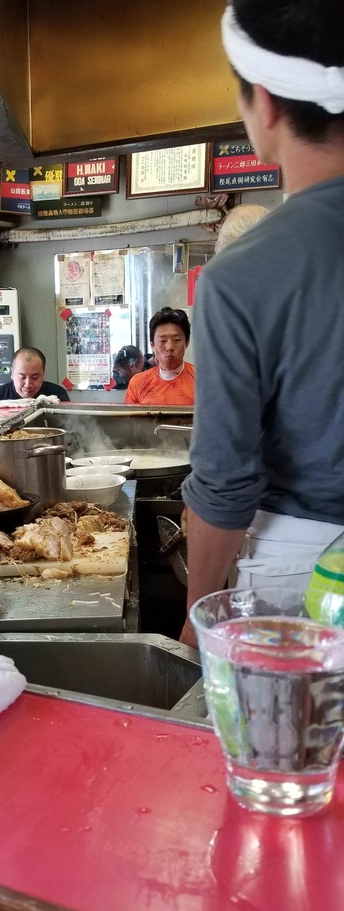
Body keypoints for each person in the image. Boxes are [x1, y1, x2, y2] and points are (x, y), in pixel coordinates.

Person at [179, 0, 344, 647]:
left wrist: (197, 621)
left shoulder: (241, 276)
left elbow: (226, 483)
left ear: (265, 103)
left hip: (301, 575)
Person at [124, 308, 195, 405]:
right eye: (162, 341)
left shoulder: (202, 380)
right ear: (152, 345)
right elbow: (129, 420)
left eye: (176, 340)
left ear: (186, 342)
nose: (169, 347)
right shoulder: (137, 383)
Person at [0, 347, 70, 403]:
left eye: (35, 377)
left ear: (43, 374)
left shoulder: (58, 394)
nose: (28, 384)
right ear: (12, 373)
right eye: (22, 377)